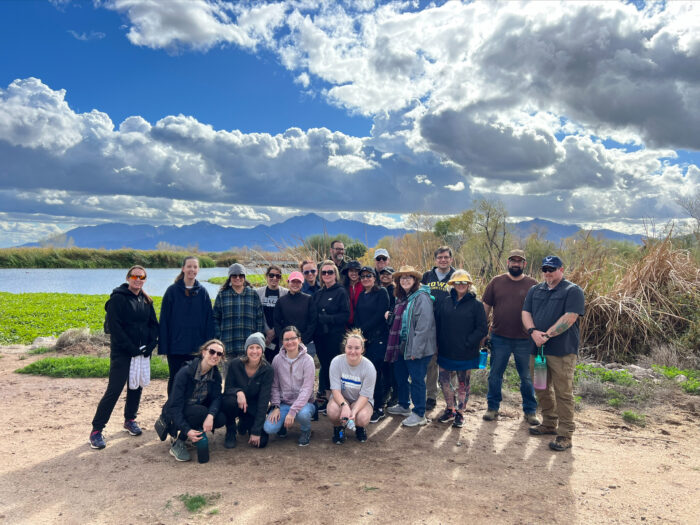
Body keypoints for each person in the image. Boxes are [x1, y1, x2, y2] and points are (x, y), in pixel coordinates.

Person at [89, 265, 158, 450]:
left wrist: (150, 345)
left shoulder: (146, 300)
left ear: (144, 279)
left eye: (141, 276)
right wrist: (131, 348)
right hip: (123, 353)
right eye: (134, 276)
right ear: (128, 278)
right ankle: (97, 430)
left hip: (142, 353)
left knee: (136, 387)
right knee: (114, 390)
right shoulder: (117, 299)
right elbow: (115, 329)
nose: (138, 279)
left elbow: (153, 324)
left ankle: (130, 420)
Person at [522, 255, 585, 452]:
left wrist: (547, 335)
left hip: (561, 351)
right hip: (538, 349)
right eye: (545, 269)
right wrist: (533, 332)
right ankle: (549, 422)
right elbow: (526, 313)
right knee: (540, 386)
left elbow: (571, 316)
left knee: (563, 392)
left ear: (561, 269)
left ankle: (565, 434)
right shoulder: (535, 289)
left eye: (552, 269)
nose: (548, 272)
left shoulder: (572, 290)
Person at [482, 249, 540, 425]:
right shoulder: (496, 282)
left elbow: (539, 310)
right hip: (499, 337)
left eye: (519, 261)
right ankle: (492, 408)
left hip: (525, 339)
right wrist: (483, 331)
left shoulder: (533, 284)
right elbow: (485, 307)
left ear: (524, 264)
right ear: (508, 263)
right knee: (495, 375)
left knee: (527, 377)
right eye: (513, 261)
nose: (516, 264)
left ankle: (530, 411)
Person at [434, 270, 488, 428]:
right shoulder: (445, 302)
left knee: (463, 384)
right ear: (452, 284)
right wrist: (438, 343)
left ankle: (460, 413)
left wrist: (468, 342)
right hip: (445, 350)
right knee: (444, 381)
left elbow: (482, 328)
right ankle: (450, 408)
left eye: (464, 282)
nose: (461, 285)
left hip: (466, 352)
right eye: (457, 282)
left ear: (469, 284)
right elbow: (438, 323)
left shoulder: (476, 305)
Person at [386, 266, 436, 427]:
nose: (405, 280)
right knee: (400, 376)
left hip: (416, 348)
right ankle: (404, 405)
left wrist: (416, 350)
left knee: (416, 380)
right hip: (401, 345)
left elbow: (424, 326)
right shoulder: (402, 297)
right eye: (402, 278)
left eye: (409, 277)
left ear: (415, 280)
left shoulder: (422, 297)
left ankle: (419, 413)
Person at [158, 256, 214, 394]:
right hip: (176, 346)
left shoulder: (203, 293)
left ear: (198, 270)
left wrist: (208, 346)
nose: (192, 269)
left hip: (197, 347)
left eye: (195, 267)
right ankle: (170, 411)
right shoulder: (172, 291)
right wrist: (164, 346)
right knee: (175, 379)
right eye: (189, 266)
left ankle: (189, 412)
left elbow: (209, 321)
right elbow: (164, 320)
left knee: (194, 380)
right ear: (183, 268)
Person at [166, 339, 227, 462]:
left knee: (220, 418)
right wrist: (186, 430)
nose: (215, 356)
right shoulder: (185, 372)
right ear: (204, 352)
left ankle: (196, 433)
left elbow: (217, 397)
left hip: (198, 409)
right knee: (200, 411)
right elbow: (174, 406)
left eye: (219, 354)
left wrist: (211, 416)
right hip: (177, 412)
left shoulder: (215, 374)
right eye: (212, 351)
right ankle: (179, 442)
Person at [263, 326, 316, 446]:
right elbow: (274, 386)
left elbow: (307, 389)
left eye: (293, 338)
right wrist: (276, 406)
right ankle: (282, 425)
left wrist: (292, 411)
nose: (290, 342)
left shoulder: (308, 360)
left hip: (305, 404)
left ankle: (305, 431)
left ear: (299, 339)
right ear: (282, 342)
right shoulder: (277, 360)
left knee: (302, 415)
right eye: (286, 339)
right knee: (269, 428)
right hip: (283, 403)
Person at [222, 332, 273, 449]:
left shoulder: (268, 370)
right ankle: (230, 431)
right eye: (251, 347)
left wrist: (256, 431)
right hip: (235, 403)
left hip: (253, 407)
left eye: (258, 347)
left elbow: (264, 401)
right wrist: (238, 392)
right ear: (246, 349)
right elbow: (227, 389)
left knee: (262, 442)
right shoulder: (235, 364)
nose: (254, 351)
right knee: (228, 401)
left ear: (262, 350)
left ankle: (244, 422)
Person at [312, 260, 350, 413]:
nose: (327, 275)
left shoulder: (341, 292)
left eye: (330, 272)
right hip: (320, 338)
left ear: (336, 274)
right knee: (326, 368)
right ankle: (329, 400)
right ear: (320, 276)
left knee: (335, 368)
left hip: (335, 337)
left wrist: (327, 318)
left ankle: (338, 400)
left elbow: (345, 315)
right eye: (324, 272)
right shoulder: (318, 294)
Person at [421, 246, 457, 411]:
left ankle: (452, 397)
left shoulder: (457, 276)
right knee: (431, 362)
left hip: (450, 327)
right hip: (430, 325)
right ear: (435, 260)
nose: (443, 260)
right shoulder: (428, 276)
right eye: (440, 257)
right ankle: (431, 396)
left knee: (451, 364)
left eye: (446, 257)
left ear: (451, 259)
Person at [353, 266, 390, 423]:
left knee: (375, 373)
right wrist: (358, 334)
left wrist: (361, 330)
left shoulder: (382, 292)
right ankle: (368, 403)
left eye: (369, 275)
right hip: (364, 339)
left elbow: (380, 316)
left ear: (375, 277)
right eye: (363, 276)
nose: (366, 278)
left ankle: (379, 407)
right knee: (365, 373)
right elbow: (358, 315)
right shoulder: (362, 294)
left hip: (378, 338)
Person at [328, 329, 376, 444]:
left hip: (360, 399)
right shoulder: (336, 362)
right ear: (345, 348)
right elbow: (335, 390)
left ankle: (360, 428)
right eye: (349, 347)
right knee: (333, 411)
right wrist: (344, 406)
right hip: (341, 398)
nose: (352, 351)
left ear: (363, 350)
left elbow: (365, 395)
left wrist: (353, 412)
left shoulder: (369, 367)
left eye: (357, 348)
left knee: (362, 418)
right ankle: (338, 429)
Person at [213, 263, 265, 359]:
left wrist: (258, 341)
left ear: (244, 277)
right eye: (234, 275)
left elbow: (260, 319)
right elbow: (215, 318)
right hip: (228, 346)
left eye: (241, 275)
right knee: (228, 374)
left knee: (248, 374)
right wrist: (219, 337)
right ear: (229, 277)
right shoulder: (222, 295)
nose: (238, 278)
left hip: (249, 348)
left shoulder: (253, 294)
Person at [274, 271, 317, 354]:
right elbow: (277, 322)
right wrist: (284, 339)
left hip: (305, 342)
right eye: (293, 281)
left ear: (302, 284)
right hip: (286, 342)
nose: (295, 284)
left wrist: (302, 340)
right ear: (288, 282)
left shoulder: (308, 299)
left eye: (298, 282)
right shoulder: (281, 301)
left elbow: (313, 322)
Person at [255, 265, 289, 363]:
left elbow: (286, 314)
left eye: (277, 276)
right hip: (264, 335)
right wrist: (267, 331)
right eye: (271, 275)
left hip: (279, 334)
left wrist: (274, 330)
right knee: (265, 362)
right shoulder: (258, 293)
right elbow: (258, 314)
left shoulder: (286, 293)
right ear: (267, 276)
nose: (274, 278)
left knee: (280, 363)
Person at [342, 260, 363, 326]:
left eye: (356, 271)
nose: (354, 273)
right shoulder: (342, 288)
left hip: (363, 323)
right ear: (347, 272)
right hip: (346, 325)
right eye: (351, 271)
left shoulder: (364, 285)